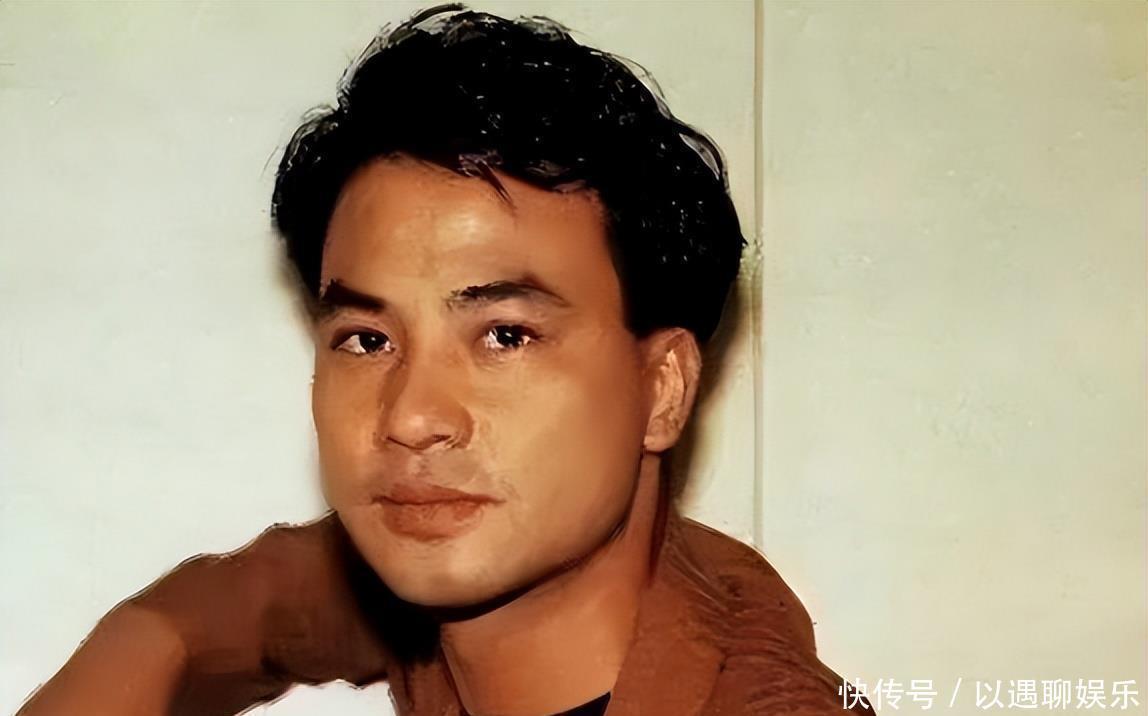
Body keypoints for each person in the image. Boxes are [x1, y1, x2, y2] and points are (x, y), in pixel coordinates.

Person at [18, 5, 869, 715]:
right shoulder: (448, 591)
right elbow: (276, 599)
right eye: (368, 340)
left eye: (505, 335)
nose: (411, 417)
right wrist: (150, 638)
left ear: (662, 389)